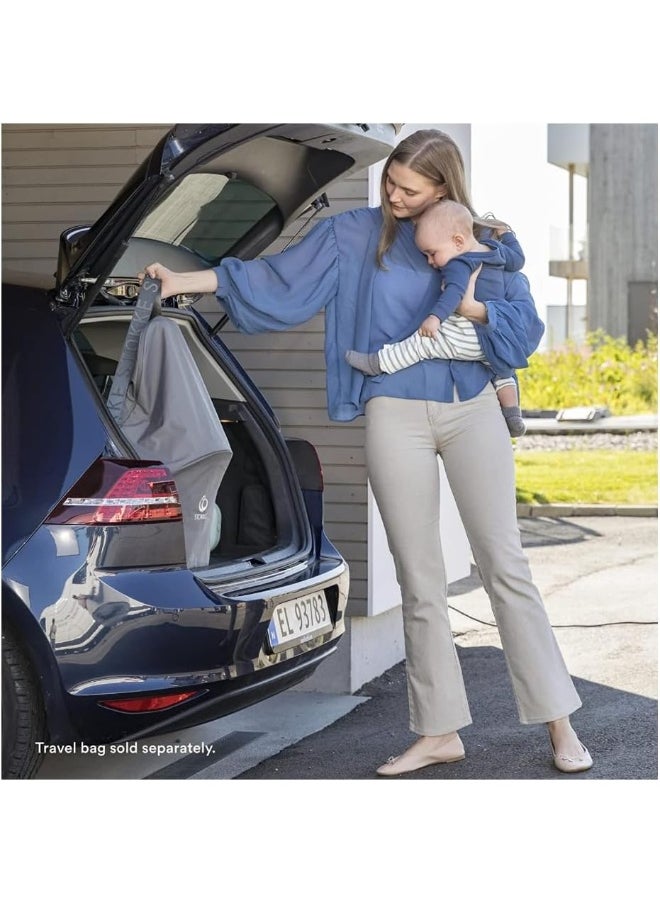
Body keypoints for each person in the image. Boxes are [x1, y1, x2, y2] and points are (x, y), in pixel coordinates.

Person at [142, 128, 592, 777]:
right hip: (395, 413)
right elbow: (275, 278)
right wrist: (184, 276)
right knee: (419, 577)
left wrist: (473, 307)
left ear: (444, 186)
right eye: (390, 183)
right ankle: (439, 731)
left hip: (472, 409)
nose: (395, 196)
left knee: (505, 563)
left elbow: (523, 333)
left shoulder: (483, 239)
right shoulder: (353, 235)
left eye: (410, 189)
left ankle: (561, 725)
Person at [345, 199, 528, 437]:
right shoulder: (496, 252)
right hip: (492, 333)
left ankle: (379, 362)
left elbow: (454, 295)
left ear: (458, 242)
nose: (431, 261)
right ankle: (512, 412)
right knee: (502, 369)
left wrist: (435, 318)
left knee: (423, 344)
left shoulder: (460, 263)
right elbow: (519, 259)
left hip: (467, 331)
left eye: (432, 253)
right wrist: (506, 235)